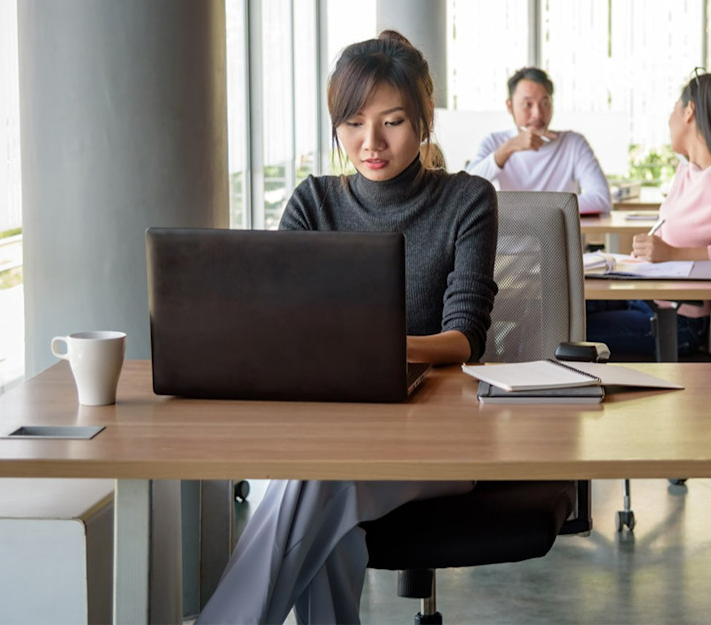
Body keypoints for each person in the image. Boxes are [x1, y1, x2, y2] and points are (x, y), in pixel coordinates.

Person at [197, 31, 499, 625]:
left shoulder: (468, 199)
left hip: (439, 442)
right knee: (329, 522)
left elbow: (466, 337)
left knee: (314, 480)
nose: (372, 143)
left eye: (393, 122)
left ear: (424, 120)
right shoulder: (313, 203)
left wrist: (372, 347)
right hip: (327, 433)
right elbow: (277, 327)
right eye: (354, 123)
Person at [586, 71, 711, 357]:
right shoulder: (688, 172)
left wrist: (676, 253)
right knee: (547, 312)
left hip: (676, 322)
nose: (668, 120)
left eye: (673, 109)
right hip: (646, 300)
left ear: (689, 111)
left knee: (558, 335)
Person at [466, 67, 612, 214]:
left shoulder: (573, 143)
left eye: (545, 103)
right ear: (510, 106)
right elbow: (465, 192)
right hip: (512, 235)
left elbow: (601, 199)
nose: (537, 114)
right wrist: (507, 149)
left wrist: (525, 208)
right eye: (527, 104)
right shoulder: (494, 142)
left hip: (560, 236)